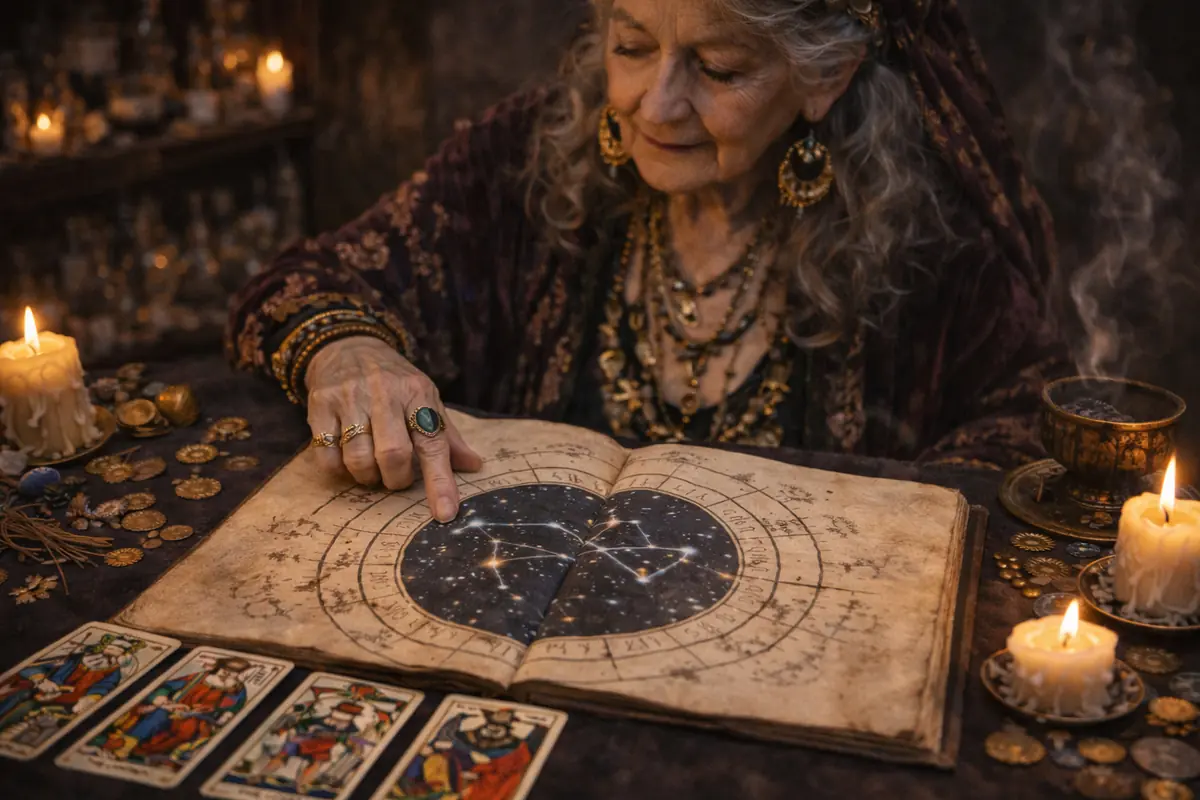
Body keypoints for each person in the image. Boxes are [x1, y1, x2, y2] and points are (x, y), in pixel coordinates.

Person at [228, 0, 1065, 523]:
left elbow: (1031, 419)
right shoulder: (519, 159)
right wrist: (351, 352)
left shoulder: (924, 237)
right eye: (631, 46)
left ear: (827, 76)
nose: (655, 105)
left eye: (719, 66)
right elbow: (303, 284)